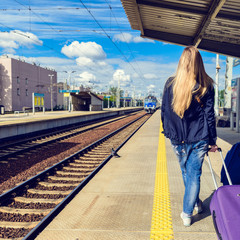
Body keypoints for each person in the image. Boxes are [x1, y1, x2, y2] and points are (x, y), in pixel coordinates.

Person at [161, 46, 218, 227]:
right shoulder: (206, 85)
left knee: (188, 173)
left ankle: (187, 213)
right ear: (199, 64)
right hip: (199, 137)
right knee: (193, 174)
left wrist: (168, 131)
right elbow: (210, 116)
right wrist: (212, 141)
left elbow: (164, 111)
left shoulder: (170, 83)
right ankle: (195, 204)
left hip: (177, 138)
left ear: (181, 62)